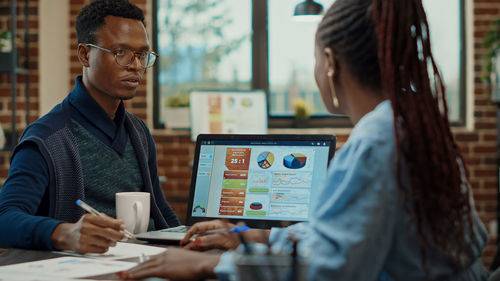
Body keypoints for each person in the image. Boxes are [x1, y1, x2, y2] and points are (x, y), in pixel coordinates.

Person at [121, 0, 489, 280]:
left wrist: (210, 264)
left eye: (314, 59)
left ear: (329, 62)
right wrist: (248, 236)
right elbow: (339, 239)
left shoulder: (377, 142)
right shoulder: (412, 124)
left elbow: (324, 269)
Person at [0, 0, 180, 253]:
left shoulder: (139, 132)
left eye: (141, 55)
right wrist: (64, 233)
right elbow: (5, 220)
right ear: (85, 54)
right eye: (120, 52)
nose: (136, 66)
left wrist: (190, 239)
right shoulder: (47, 137)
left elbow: (160, 211)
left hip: (143, 262)